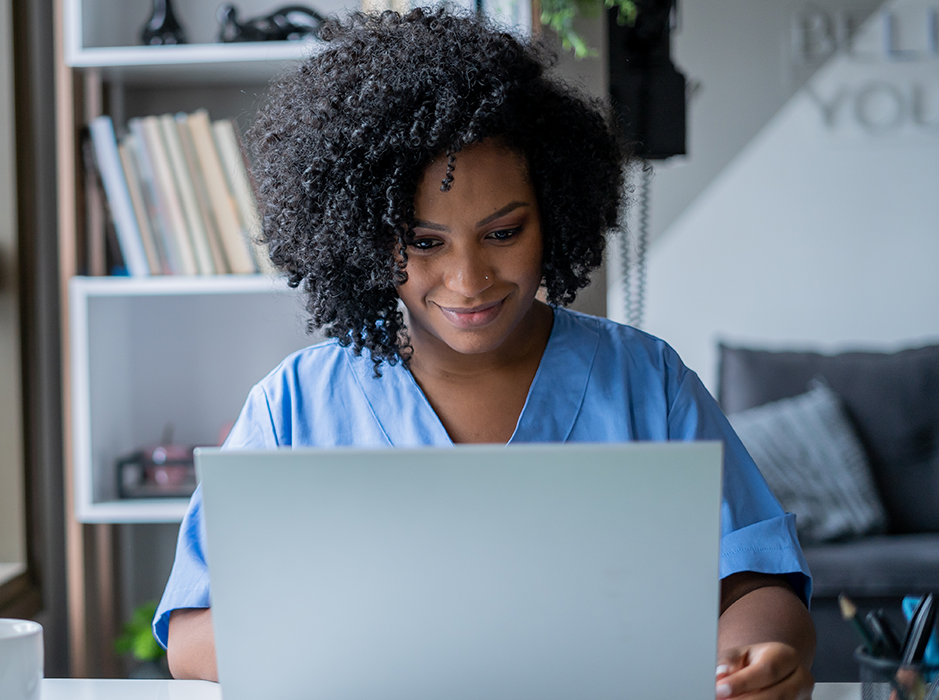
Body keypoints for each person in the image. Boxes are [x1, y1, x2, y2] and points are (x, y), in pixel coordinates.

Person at [155, 8, 815, 699]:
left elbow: (757, 582)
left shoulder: (646, 382)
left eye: (503, 233)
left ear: (555, 212)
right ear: (361, 236)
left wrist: (752, 655)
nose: (469, 280)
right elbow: (192, 633)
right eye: (425, 241)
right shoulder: (293, 408)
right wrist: (370, 632)